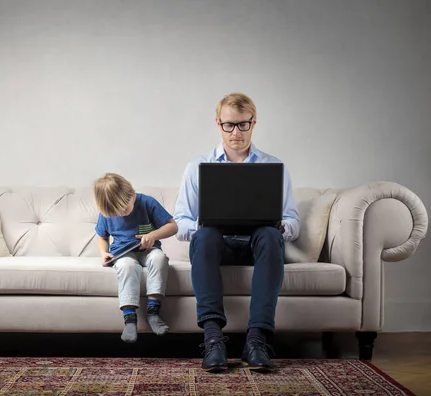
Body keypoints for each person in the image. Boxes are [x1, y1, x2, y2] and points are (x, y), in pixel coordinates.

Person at [173, 93, 301, 372]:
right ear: (218, 125)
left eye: (243, 124)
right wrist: (205, 223)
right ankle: (213, 339)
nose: (236, 132)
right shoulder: (197, 167)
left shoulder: (273, 166)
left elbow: (293, 219)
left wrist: (281, 225)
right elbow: (180, 221)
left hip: (258, 246)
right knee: (204, 235)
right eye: (229, 125)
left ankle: (257, 340)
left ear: (254, 123)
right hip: (217, 246)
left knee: (270, 234)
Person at [94, 173, 178, 343]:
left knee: (159, 258)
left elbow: (173, 226)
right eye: (115, 213)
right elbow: (102, 237)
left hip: (149, 250)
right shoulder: (106, 212)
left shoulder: (147, 202)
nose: (122, 215)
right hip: (123, 254)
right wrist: (104, 253)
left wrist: (154, 235)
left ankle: (153, 312)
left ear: (132, 193)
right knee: (127, 266)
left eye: (124, 209)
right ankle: (130, 319)